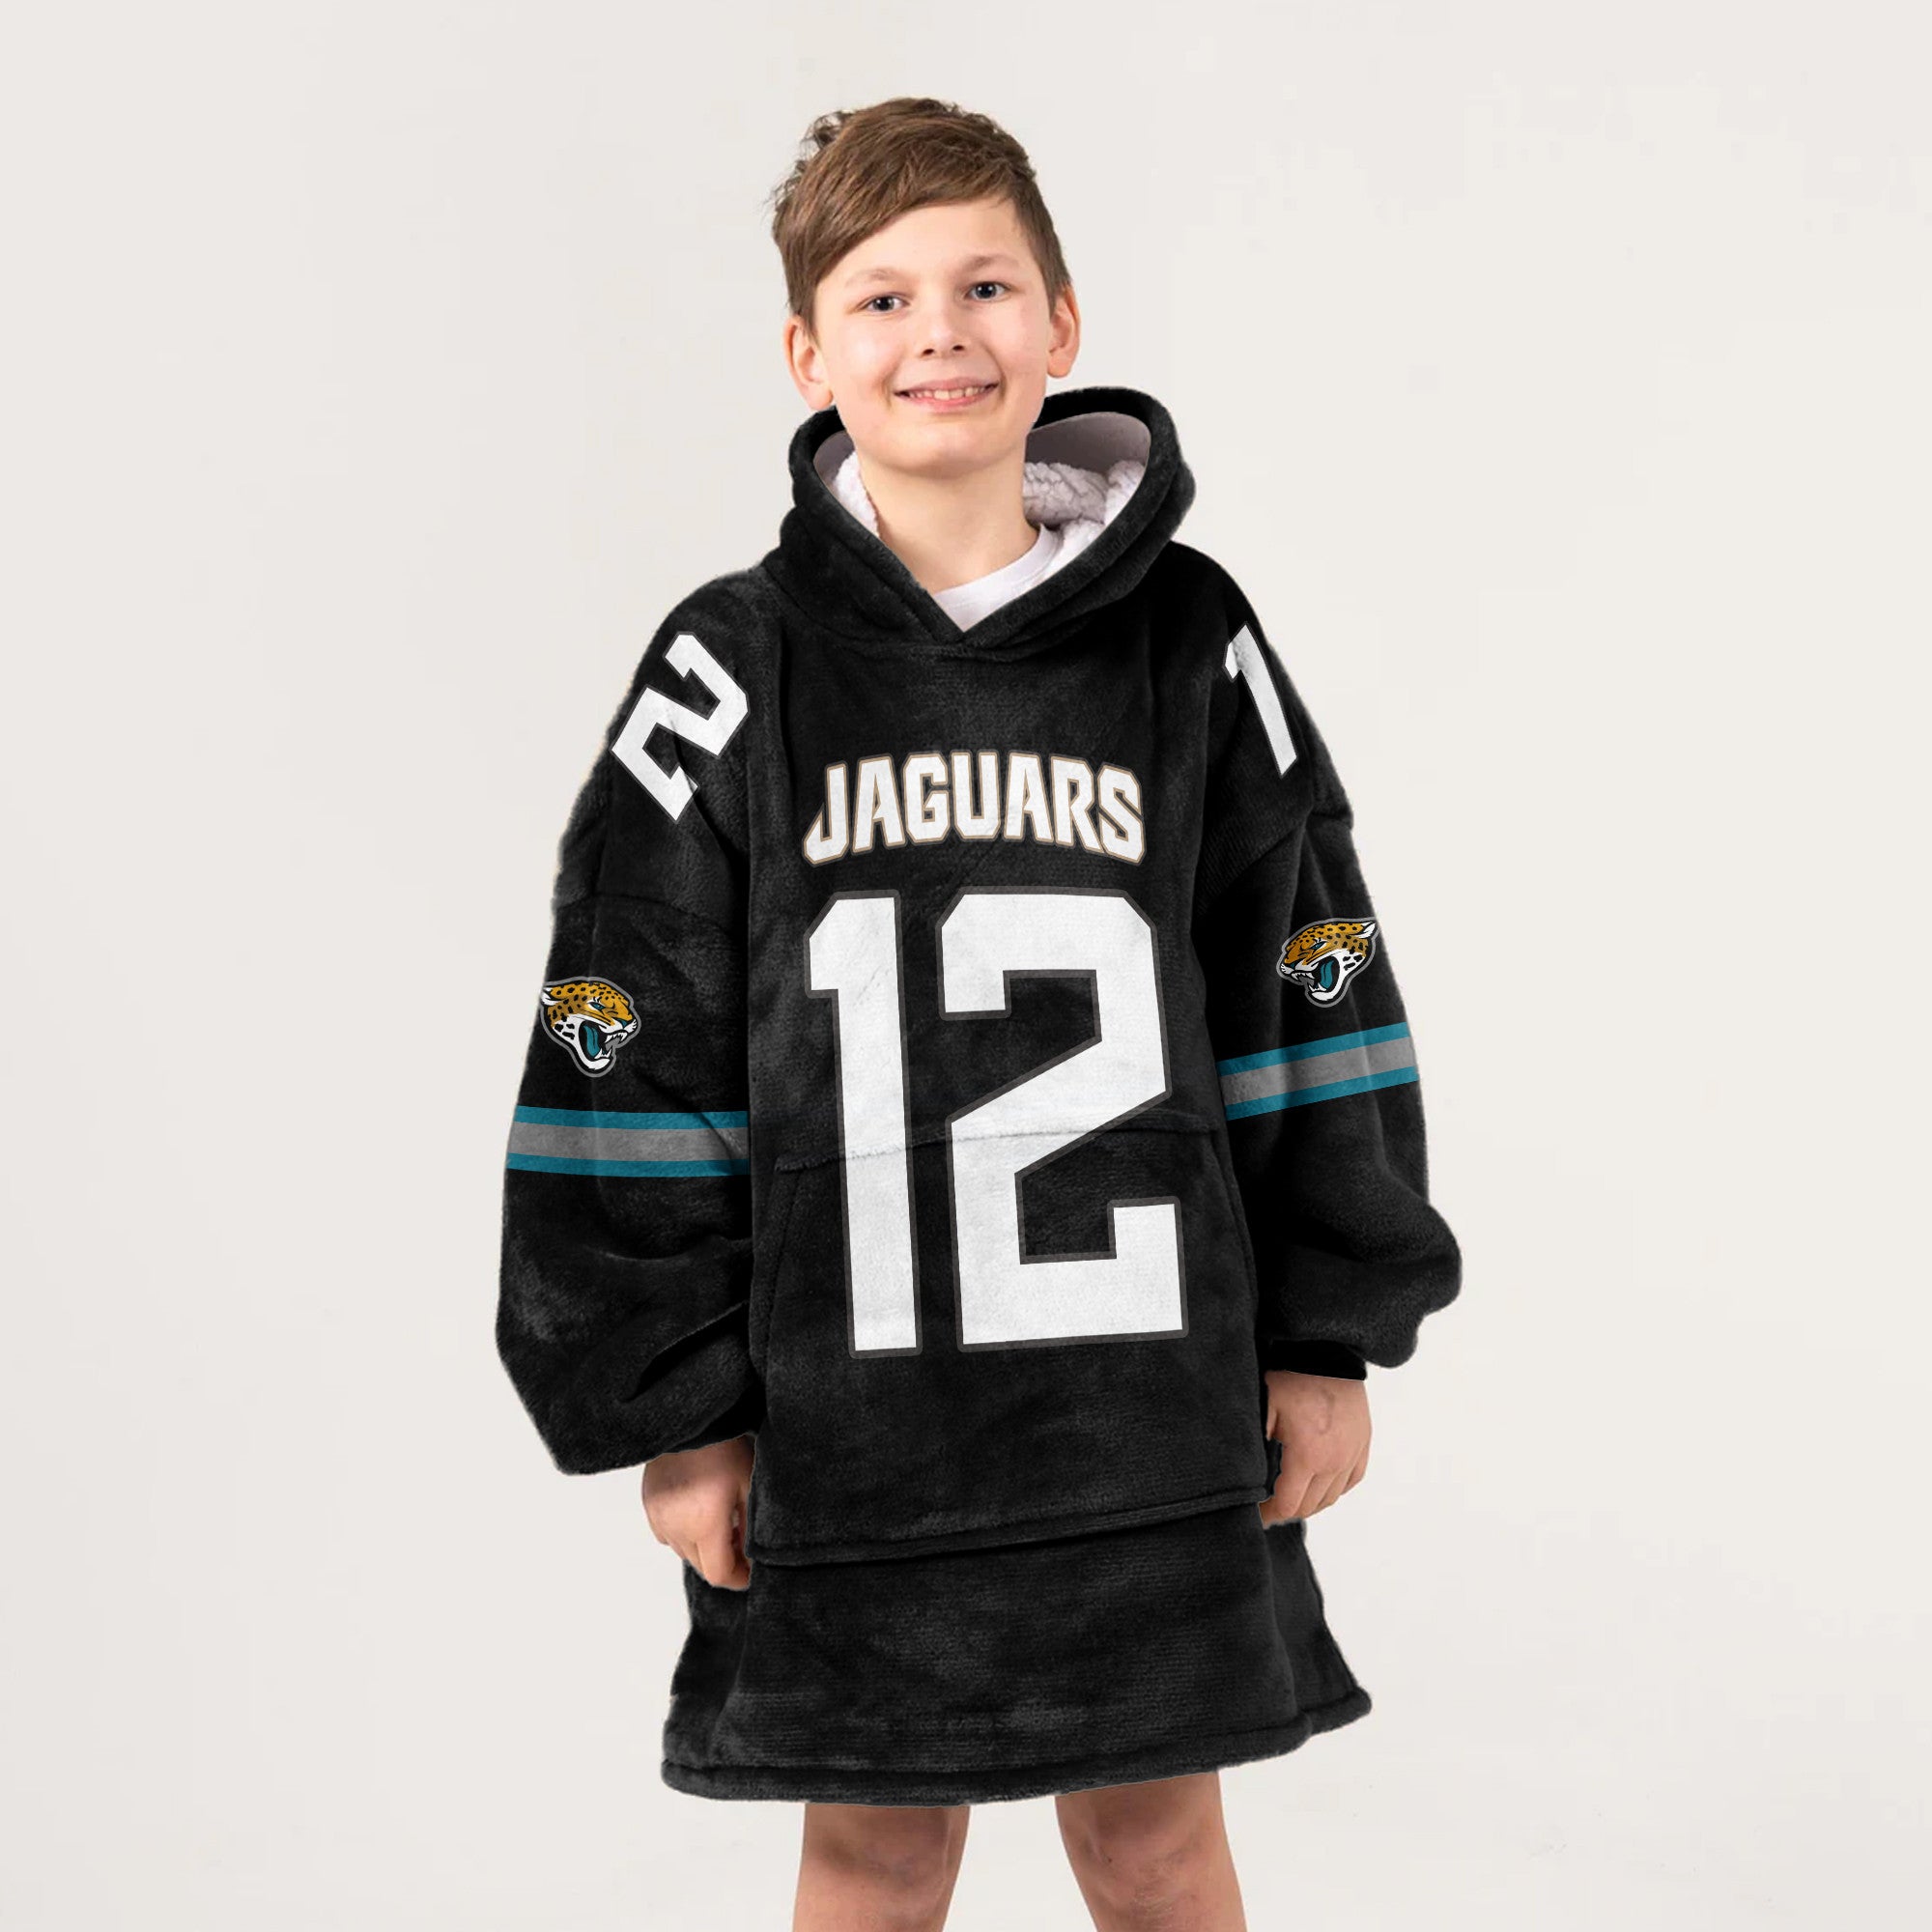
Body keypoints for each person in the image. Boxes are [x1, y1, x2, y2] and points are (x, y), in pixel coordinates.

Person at [497, 96, 1462, 1931]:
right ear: (808, 355)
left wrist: (1331, 1326)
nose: (937, 332)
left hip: (1147, 1407)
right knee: (874, 1852)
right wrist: (676, 1404)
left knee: (1156, 1843)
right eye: (881, 299)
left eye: (985, 286)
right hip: (851, 1422)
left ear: (1063, 323)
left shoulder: (1188, 639)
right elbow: (626, 1024)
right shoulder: (730, 666)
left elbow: (1304, 958)